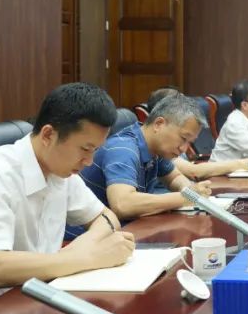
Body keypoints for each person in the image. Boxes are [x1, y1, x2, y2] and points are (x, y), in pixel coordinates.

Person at [0, 83, 135, 314]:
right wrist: (84, 258)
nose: (89, 161)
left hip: (34, 303)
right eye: (85, 149)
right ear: (48, 135)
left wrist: (84, 247)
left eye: (95, 150)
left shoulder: (61, 172)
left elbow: (106, 217)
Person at [72, 93, 212, 236]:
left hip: (123, 230)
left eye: (189, 142)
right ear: (159, 124)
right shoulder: (124, 149)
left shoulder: (155, 147)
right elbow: (123, 204)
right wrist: (187, 198)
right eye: (183, 138)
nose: (184, 148)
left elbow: (174, 178)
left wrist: (190, 190)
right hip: (82, 238)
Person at [143, 87, 248, 180]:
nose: (183, 148)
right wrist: (243, 164)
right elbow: (193, 172)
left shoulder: (168, 144)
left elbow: (179, 181)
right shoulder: (162, 148)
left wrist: (194, 194)